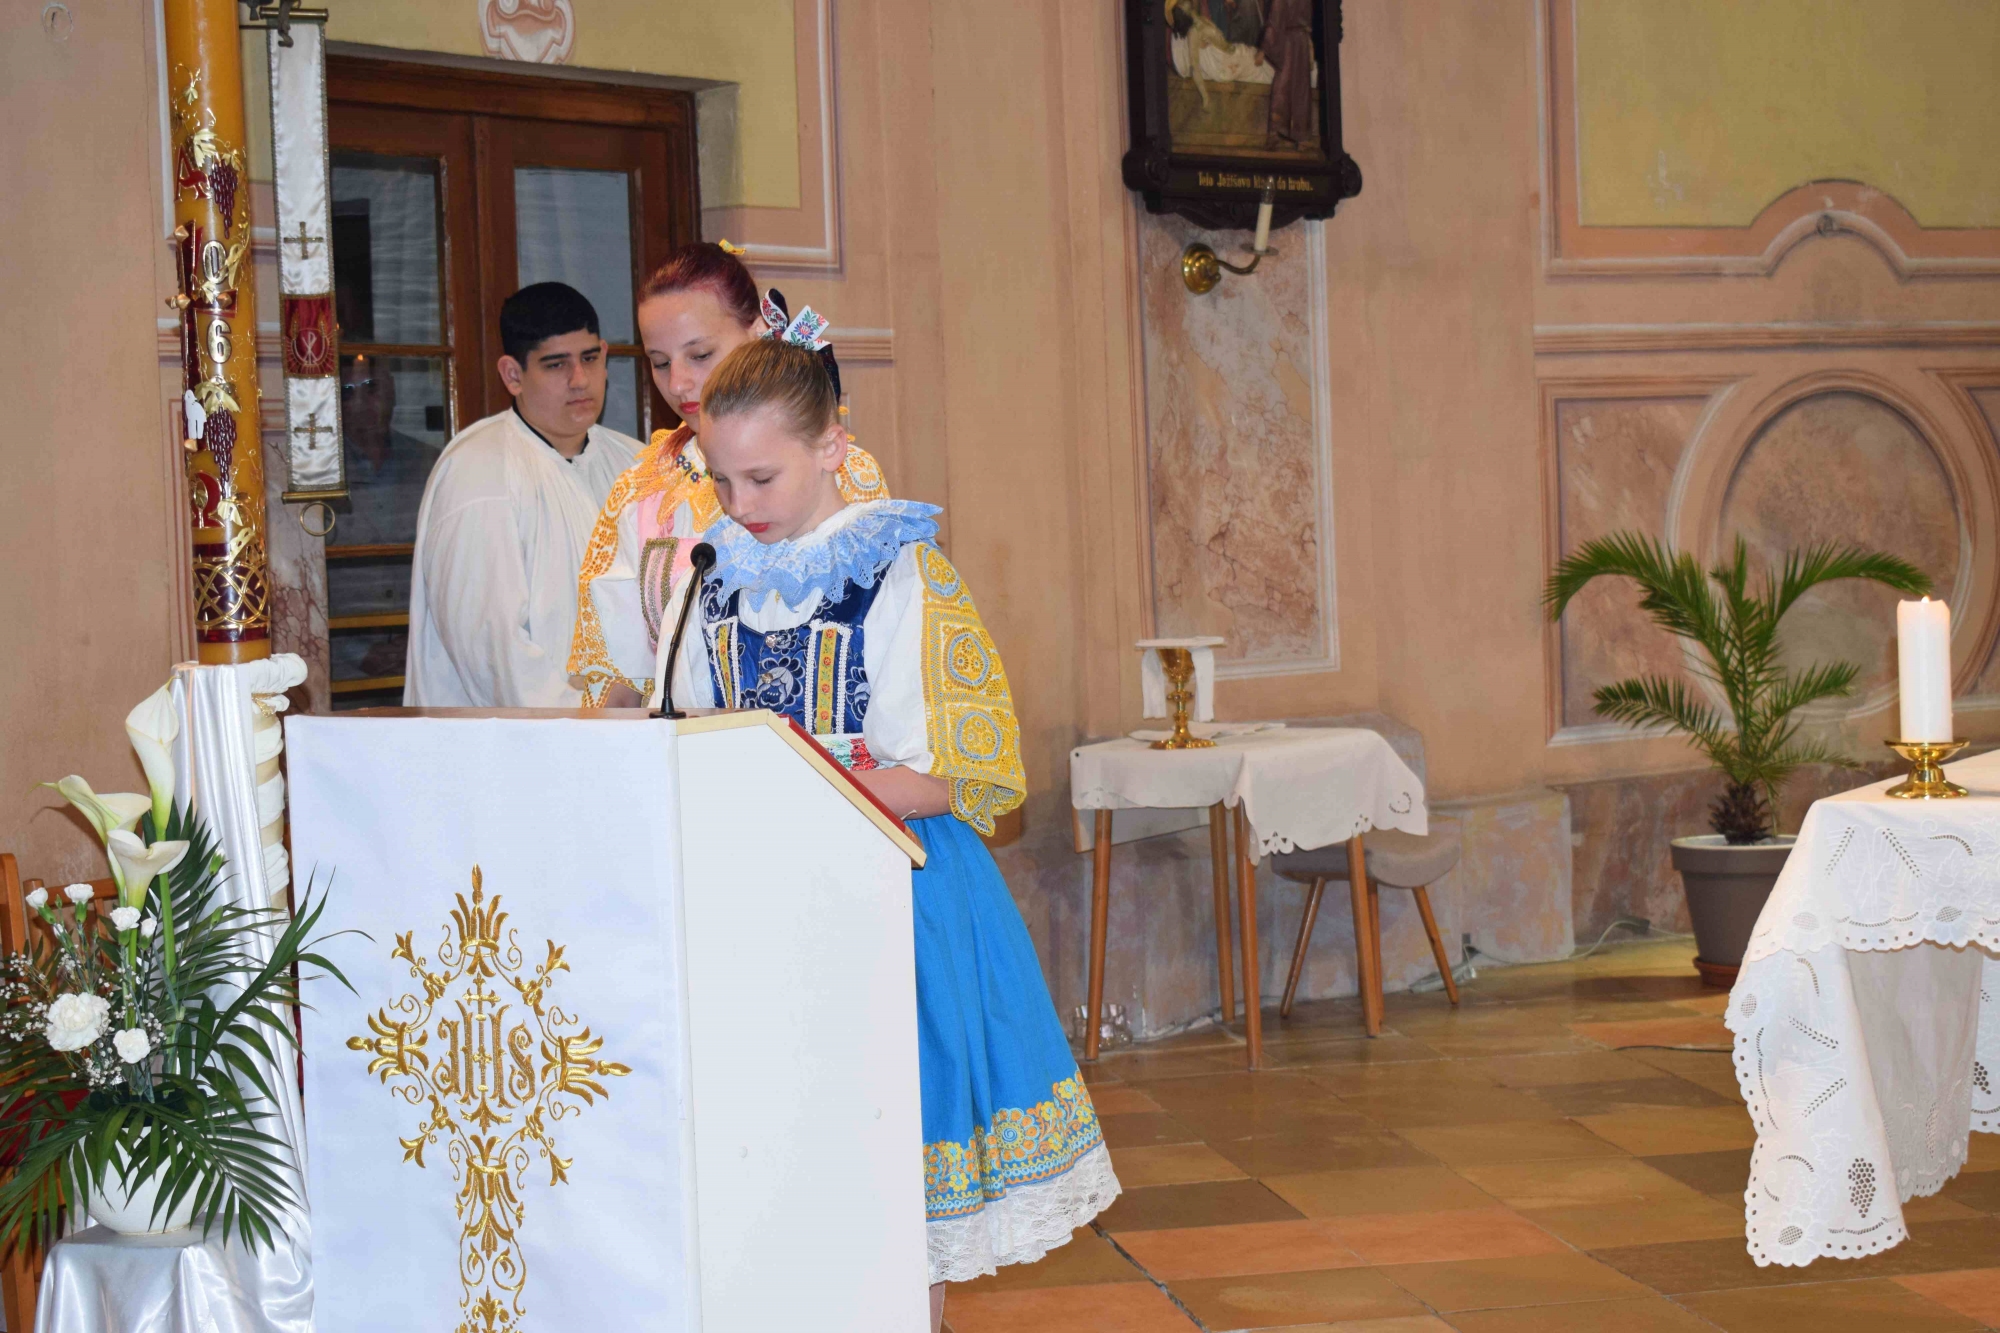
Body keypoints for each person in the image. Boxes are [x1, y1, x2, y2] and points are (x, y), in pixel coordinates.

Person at [669, 339, 1119, 1331]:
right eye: (721, 478)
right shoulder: (710, 578)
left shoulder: (901, 573)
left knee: (895, 1153)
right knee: (773, 1158)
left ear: (832, 447)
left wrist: (799, 784)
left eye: (762, 476)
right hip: (748, 901)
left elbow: (955, 772)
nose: (739, 501)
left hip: (887, 892)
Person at [568, 242, 888, 707]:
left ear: (757, 332)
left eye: (700, 354)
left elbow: (875, 646)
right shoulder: (642, 487)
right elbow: (619, 677)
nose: (678, 383)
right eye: (660, 362)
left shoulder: (837, 471)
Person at [404, 282, 643, 706]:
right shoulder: (479, 470)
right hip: (521, 736)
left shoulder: (638, 464)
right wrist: (591, 720)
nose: (580, 380)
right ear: (513, 375)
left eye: (590, 358)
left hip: (630, 728)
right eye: (556, 365)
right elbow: (491, 646)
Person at [1261, 0, 1315, 150]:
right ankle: (1296, 136)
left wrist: (1264, 48)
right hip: (1300, 42)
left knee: (1284, 86)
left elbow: (1275, 20)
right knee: (1296, 87)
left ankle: (1278, 133)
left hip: (1289, 42)